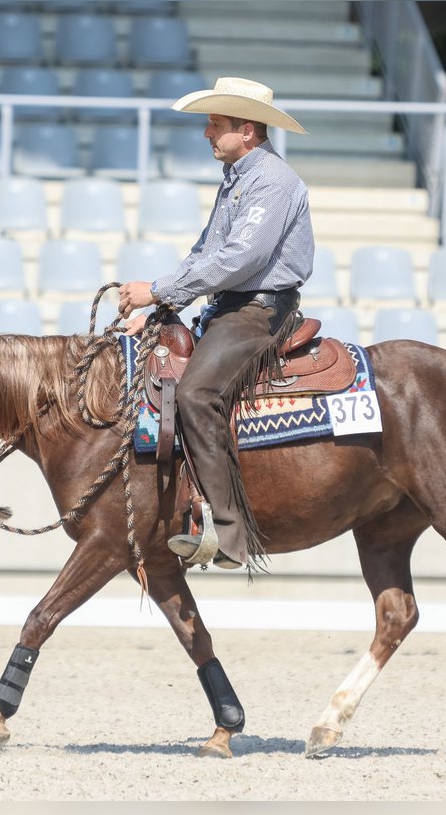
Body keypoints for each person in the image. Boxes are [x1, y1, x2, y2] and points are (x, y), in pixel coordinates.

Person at [118, 77, 313, 570]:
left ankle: (231, 534)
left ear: (246, 130)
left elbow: (241, 258)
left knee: (196, 394)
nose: (207, 133)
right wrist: (160, 311)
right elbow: (206, 252)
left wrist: (160, 290)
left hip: (260, 309)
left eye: (215, 124)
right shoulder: (239, 178)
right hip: (233, 306)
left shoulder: (274, 181)